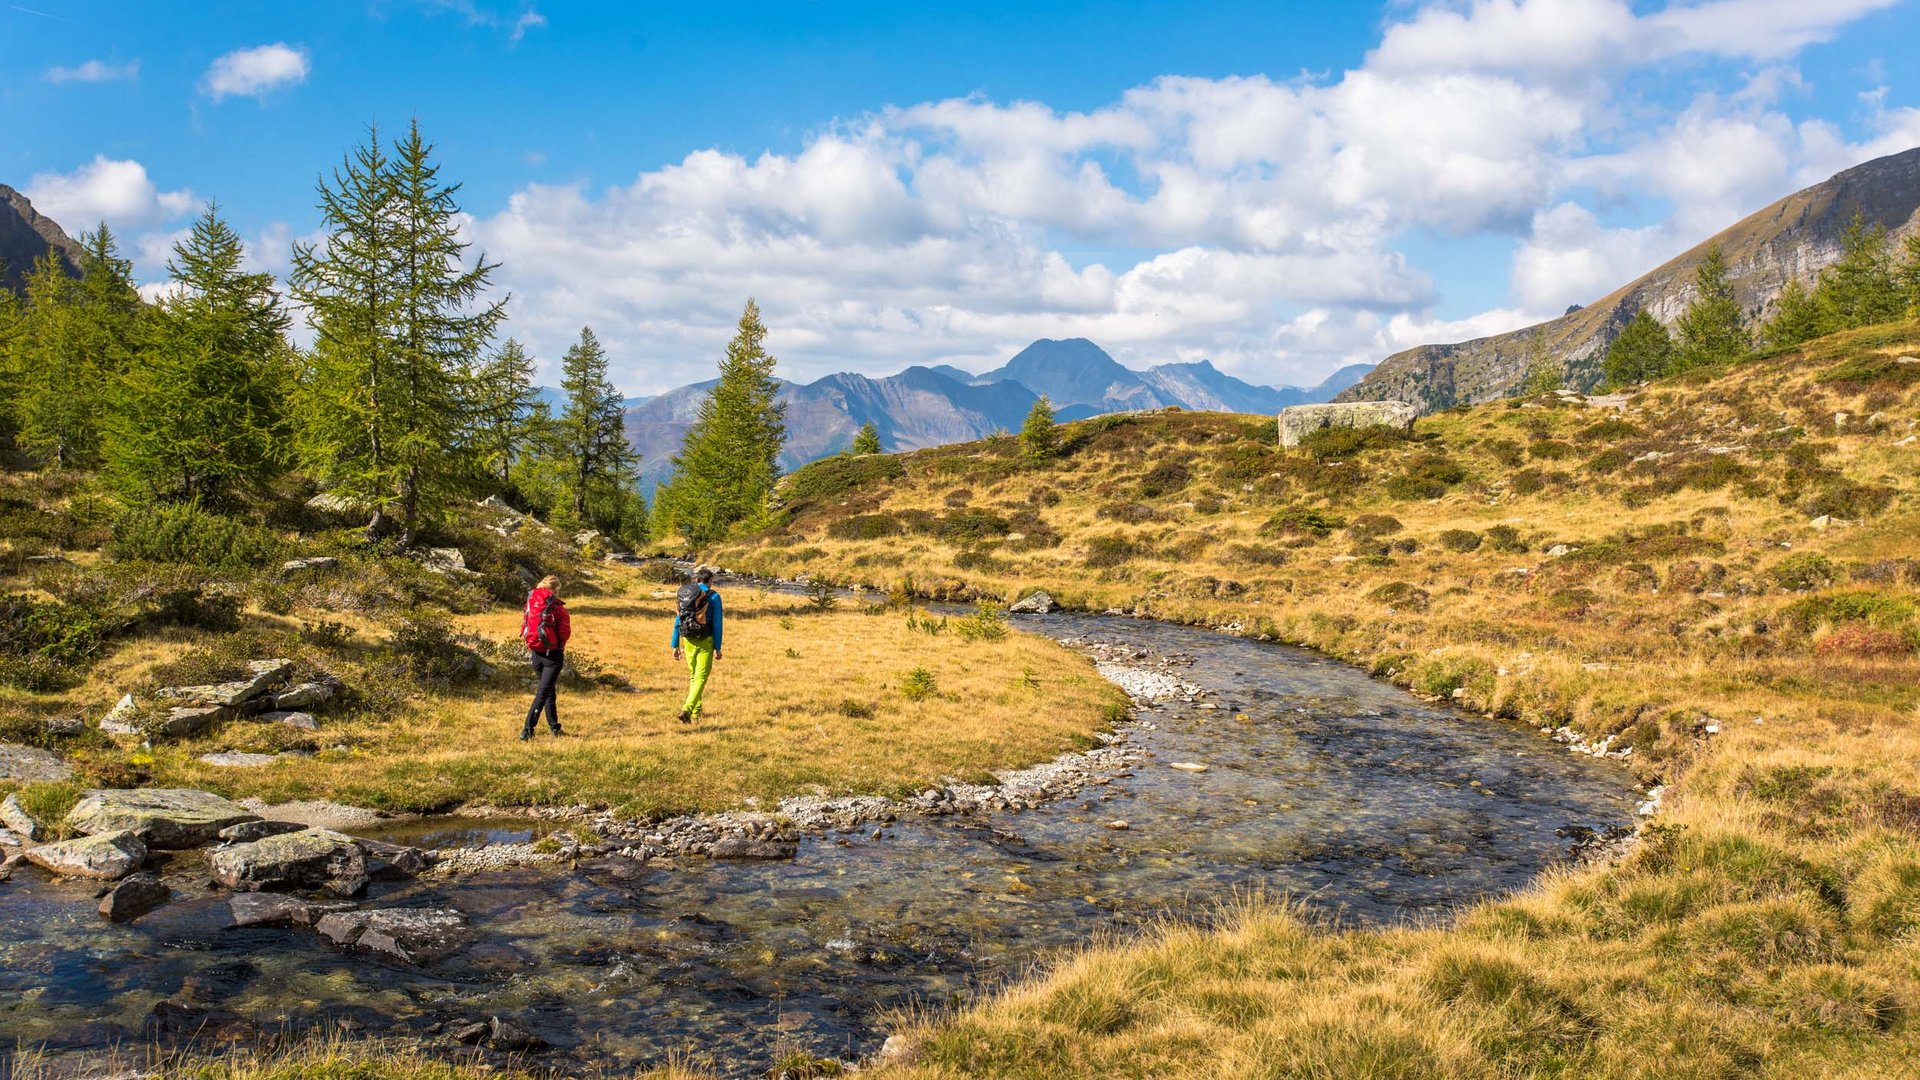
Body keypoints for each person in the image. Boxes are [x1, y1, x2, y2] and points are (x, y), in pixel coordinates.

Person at [519, 575, 571, 740]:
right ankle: (527, 730)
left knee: (548, 690)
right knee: (542, 693)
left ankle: (554, 727)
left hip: (535, 652)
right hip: (553, 655)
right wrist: (560, 643)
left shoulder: (531, 603)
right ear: (555, 589)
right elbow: (565, 633)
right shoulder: (558, 608)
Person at [671, 567, 723, 724]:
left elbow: (678, 620)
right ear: (710, 581)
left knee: (694, 676)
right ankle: (687, 709)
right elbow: (717, 624)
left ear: (696, 580)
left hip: (688, 639)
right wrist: (718, 647)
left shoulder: (686, 595)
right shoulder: (713, 596)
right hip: (705, 640)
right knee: (701, 677)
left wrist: (675, 645)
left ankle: (696, 713)